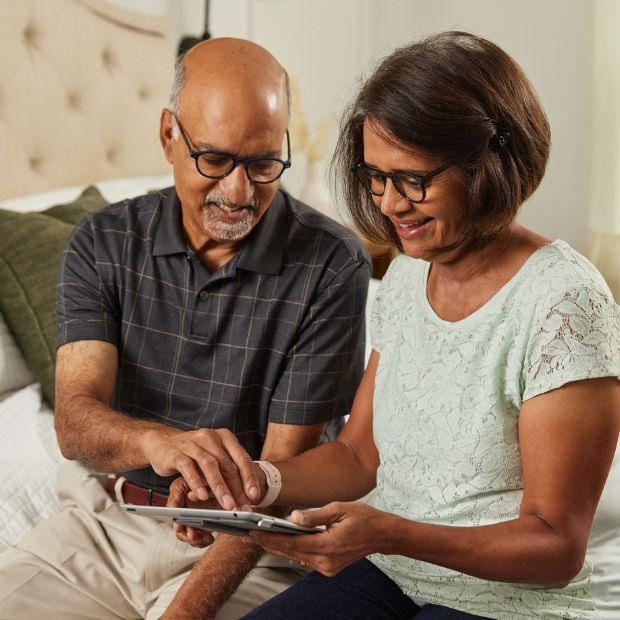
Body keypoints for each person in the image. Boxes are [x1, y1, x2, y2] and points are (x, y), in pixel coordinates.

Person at [167, 32, 620, 619]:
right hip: (394, 574)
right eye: (377, 178)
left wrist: (388, 533)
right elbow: (359, 456)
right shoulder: (407, 276)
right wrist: (250, 484)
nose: (388, 204)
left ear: (489, 164)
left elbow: (556, 547)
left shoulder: (563, 300)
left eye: (413, 179)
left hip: (517, 602)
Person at [0, 39, 370, 619]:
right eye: (216, 160)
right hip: (103, 525)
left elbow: (275, 487)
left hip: (253, 547)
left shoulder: (332, 264)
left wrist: (184, 613)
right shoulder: (101, 243)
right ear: (170, 134)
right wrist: (158, 443)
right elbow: (73, 424)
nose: (239, 193)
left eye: (264, 163)